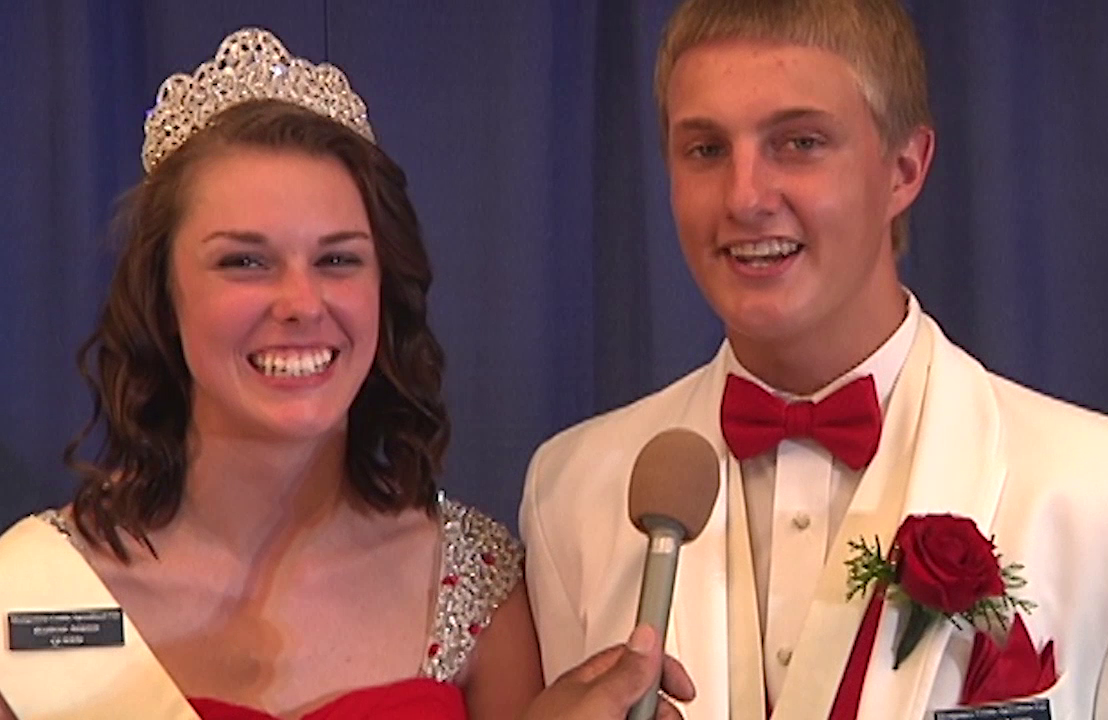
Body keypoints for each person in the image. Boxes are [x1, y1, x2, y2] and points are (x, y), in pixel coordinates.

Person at [520, 1, 1108, 718]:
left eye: (799, 142)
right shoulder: (571, 495)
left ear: (905, 169)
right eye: (707, 149)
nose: (744, 197)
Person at [0, 28, 694, 720]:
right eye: (245, 261)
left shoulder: (475, 585)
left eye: (338, 260)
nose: (302, 304)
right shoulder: (36, 590)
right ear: (163, 296)